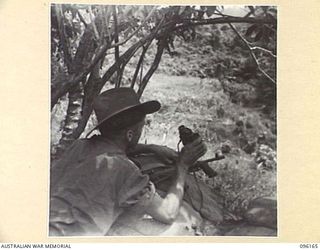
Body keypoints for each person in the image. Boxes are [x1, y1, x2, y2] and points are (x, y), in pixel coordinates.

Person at [49, 87, 207, 236]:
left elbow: (109, 145)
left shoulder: (80, 146)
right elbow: (168, 213)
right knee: (182, 226)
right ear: (130, 135)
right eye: (141, 128)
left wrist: (151, 148)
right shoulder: (125, 170)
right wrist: (183, 166)